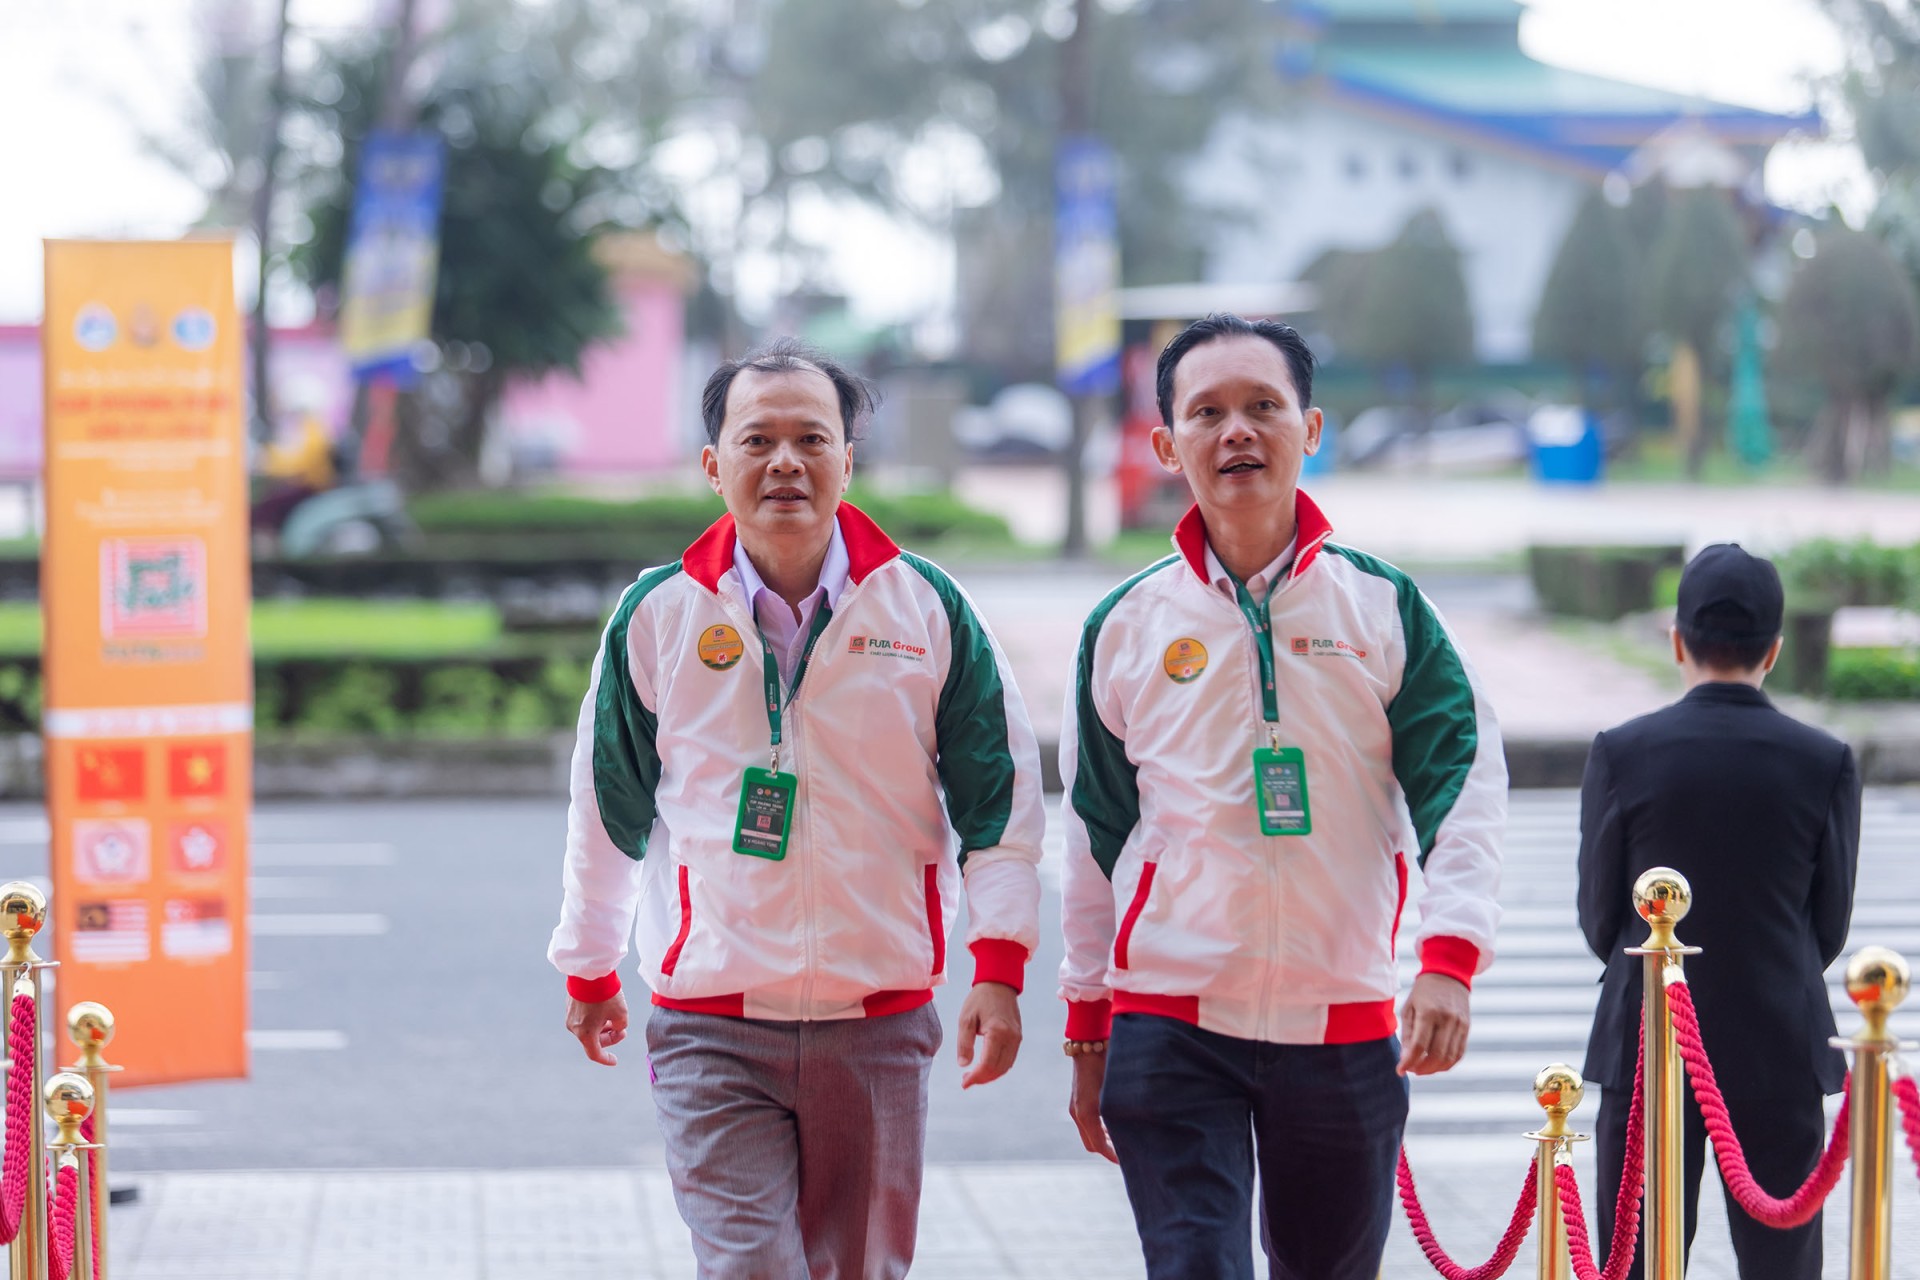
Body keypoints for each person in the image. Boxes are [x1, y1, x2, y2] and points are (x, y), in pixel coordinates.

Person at [549, 338, 1046, 1279]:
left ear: (848, 461)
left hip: (878, 1016)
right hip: (710, 1019)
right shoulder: (658, 615)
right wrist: (588, 963)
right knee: (750, 1266)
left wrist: (1001, 965)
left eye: (811, 439)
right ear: (714, 464)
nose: (786, 461)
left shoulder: (927, 608)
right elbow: (608, 805)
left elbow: (1000, 805)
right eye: (758, 439)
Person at [1058, 313, 1507, 1280]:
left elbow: (1464, 784)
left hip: (1341, 1020)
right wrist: (1088, 1016)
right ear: (1167, 444)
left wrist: (1450, 957)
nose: (1237, 432)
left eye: (1263, 406)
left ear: (1310, 428)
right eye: (1207, 412)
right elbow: (1094, 833)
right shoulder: (1126, 625)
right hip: (1171, 1020)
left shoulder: (1383, 608)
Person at [1578, 542, 1860, 1280]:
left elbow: (1600, 917)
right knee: (1782, 1263)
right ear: (1775, 649)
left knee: (1637, 1260)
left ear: (1677, 641)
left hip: (1650, 1038)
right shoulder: (1824, 759)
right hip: (1778, 1042)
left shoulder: (1622, 752)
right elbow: (1828, 923)